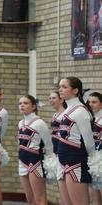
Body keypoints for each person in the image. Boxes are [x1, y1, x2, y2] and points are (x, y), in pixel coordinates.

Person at [57, 76, 95, 205]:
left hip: (76, 161)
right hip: (63, 161)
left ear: (75, 90)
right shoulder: (67, 110)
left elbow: (89, 141)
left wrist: (93, 162)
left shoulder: (80, 111)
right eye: (60, 87)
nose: (60, 90)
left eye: (64, 87)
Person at [17, 94, 52, 205]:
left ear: (33, 107)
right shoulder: (21, 123)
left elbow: (49, 145)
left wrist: (50, 162)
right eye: (20, 103)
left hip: (35, 161)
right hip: (22, 161)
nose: (22, 105)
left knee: (39, 198)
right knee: (30, 199)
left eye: (25, 103)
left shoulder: (39, 123)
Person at [48, 90, 71, 205]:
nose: (50, 100)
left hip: (64, 154)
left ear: (61, 100)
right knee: (62, 187)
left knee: (67, 190)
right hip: (57, 153)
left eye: (53, 98)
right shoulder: (55, 115)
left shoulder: (65, 115)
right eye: (49, 98)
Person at [87, 91, 102, 204]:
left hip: (100, 159)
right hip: (92, 160)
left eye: (94, 102)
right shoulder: (89, 119)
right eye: (89, 102)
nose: (91, 104)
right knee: (94, 195)